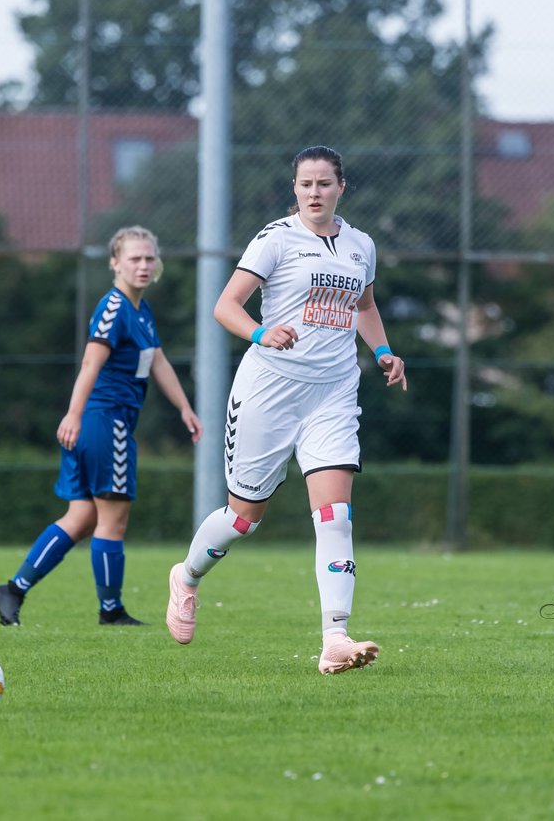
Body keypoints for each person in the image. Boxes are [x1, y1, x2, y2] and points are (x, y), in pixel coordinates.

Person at [165, 145, 407, 675]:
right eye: (306, 185)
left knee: (336, 516)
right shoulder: (276, 238)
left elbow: (365, 307)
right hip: (270, 390)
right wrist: (259, 331)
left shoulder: (361, 245)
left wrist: (384, 352)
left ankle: (335, 639)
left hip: (333, 393)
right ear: (294, 189)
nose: (315, 193)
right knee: (244, 519)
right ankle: (186, 577)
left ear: (341, 187)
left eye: (324, 183)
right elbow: (225, 305)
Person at [0, 226, 202, 627]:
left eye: (149, 258)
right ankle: (111, 611)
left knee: (82, 517)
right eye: (134, 258)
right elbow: (90, 363)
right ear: (114, 262)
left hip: (99, 423)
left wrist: (184, 408)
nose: (143, 265)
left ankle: (12, 590)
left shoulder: (141, 310)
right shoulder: (114, 307)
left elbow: (157, 362)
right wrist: (73, 413)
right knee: (112, 520)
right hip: (105, 422)